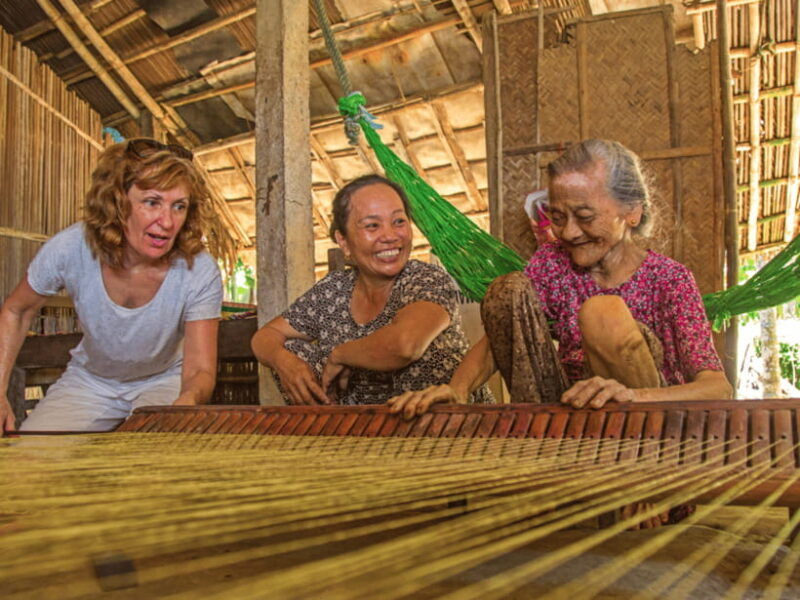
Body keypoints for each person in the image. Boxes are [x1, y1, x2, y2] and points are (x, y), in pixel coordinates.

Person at [388, 139, 732, 418]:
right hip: (568, 416)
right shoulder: (552, 264)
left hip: (644, 426)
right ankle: (538, 441)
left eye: (584, 216)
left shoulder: (670, 280)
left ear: (632, 212)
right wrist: (458, 389)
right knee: (506, 289)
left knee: (603, 314)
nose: (568, 232)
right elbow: (501, 334)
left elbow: (717, 387)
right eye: (557, 216)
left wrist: (632, 395)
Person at [0, 138, 224, 434]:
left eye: (178, 206)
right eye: (152, 202)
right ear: (118, 203)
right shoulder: (72, 247)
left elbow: (198, 370)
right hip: (90, 381)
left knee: (152, 465)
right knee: (29, 465)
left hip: (165, 380)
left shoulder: (199, 270)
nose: (167, 222)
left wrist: (186, 401)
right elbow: (16, 311)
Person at [251, 174, 492, 406]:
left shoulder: (426, 280)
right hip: (364, 433)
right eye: (372, 226)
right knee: (292, 350)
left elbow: (405, 345)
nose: (389, 236)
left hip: (447, 428)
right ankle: (328, 437)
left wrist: (340, 354)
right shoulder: (333, 290)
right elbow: (265, 337)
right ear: (343, 241)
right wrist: (283, 361)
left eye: (399, 221)